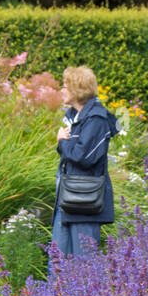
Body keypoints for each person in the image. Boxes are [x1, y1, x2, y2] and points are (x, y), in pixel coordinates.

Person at [51, 66, 118, 262]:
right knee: (58, 263)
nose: (61, 90)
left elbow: (84, 157)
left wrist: (63, 142)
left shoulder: (96, 119)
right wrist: (63, 143)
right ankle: (58, 294)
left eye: (65, 86)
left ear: (77, 89)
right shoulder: (76, 118)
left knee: (83, 265)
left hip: (84, 203)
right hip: (67, 200)